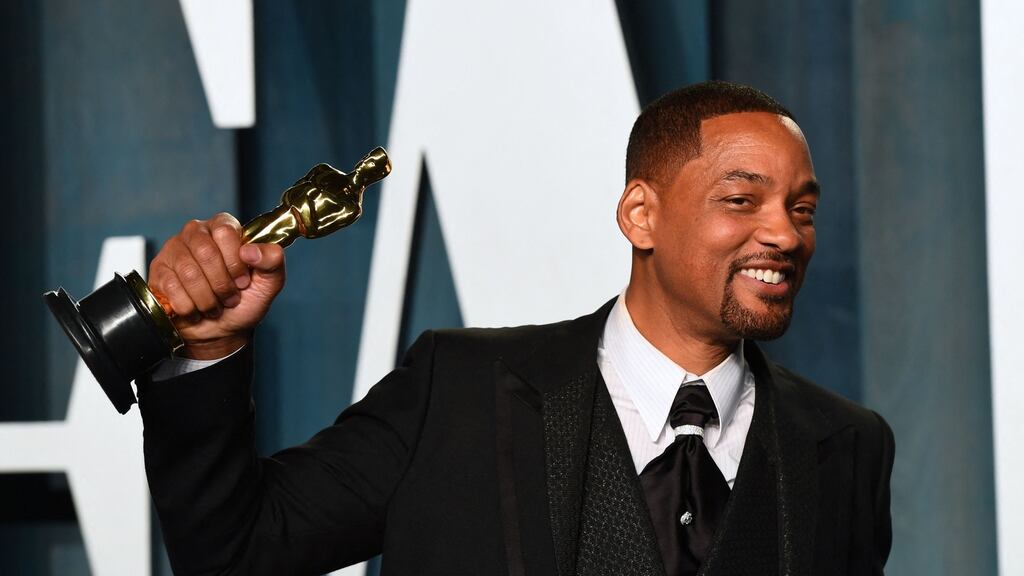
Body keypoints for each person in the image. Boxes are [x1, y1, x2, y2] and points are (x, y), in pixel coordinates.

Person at [139, 81, 893, 576]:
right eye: (742, 200)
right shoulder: (457, 391)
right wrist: (208, 348)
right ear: (641, 215)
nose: (787, 236)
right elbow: (235, 553)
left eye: (802, 209)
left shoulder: (848, 447)